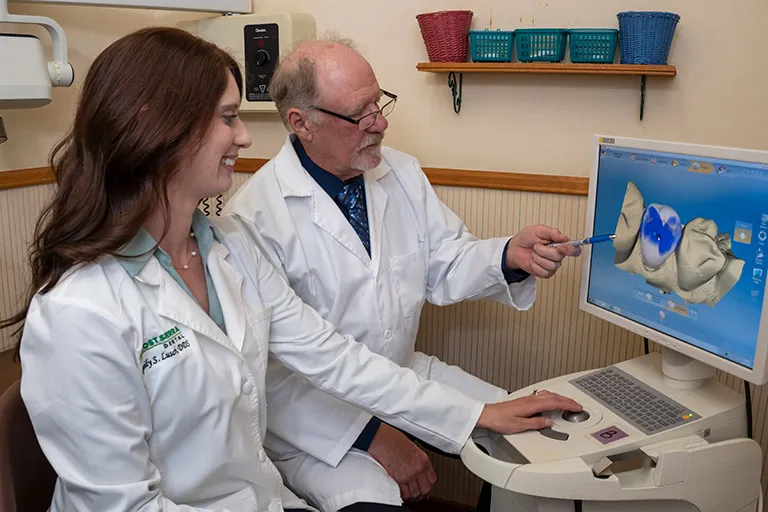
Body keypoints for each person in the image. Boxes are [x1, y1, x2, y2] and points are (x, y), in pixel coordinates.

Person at [0, 27, 582, 512]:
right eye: (228, 117)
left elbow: (332, 354)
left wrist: (477, 410)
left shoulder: (229, 249)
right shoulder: (81, 312)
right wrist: (380, 435)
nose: (246, 136)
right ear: (158, 128)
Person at [222, 38, 582, 512]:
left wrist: (508, 256)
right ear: (300, 122)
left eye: (379, 102)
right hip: (313, 419)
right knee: (377, 501)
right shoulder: (254, 218)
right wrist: (378, 437)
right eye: (361, 114)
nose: (382, 123)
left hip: (398, 371)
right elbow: (273, 376)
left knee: (531, 434)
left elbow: (444, 261)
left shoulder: (401, 174)